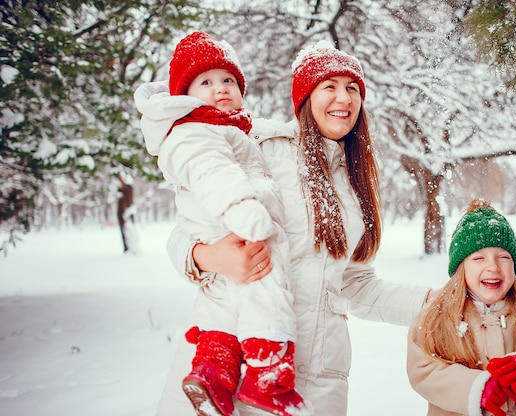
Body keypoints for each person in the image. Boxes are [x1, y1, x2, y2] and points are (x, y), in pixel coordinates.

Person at [141, 39, 435, 415]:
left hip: (317, 375)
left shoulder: (355, 183)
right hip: (236, 361)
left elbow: (354, 284)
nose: (342, 98)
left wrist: (435, 303)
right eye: (329, 87)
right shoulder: (261, 146)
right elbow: (187, 228)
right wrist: (212, 257)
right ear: (305, 98)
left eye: (352, 89)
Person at [134, 31, 309, 416]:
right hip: (238, 234)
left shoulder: (234, 130)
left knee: (221, 311)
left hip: (233, 246)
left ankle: (212, 371)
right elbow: (213, 177)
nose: (221, 89)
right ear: (184, 95)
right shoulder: (200, 132)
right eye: (207, 82)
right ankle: (267, 375)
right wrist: (212, 251)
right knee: (263, 285)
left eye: (228, 80)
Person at [406, 198, 516, 416]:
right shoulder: (436, 318)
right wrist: (476, 390)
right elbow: (423, 371)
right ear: (460, 268)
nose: (493, 266)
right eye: (478, 258)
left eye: (503, 257)